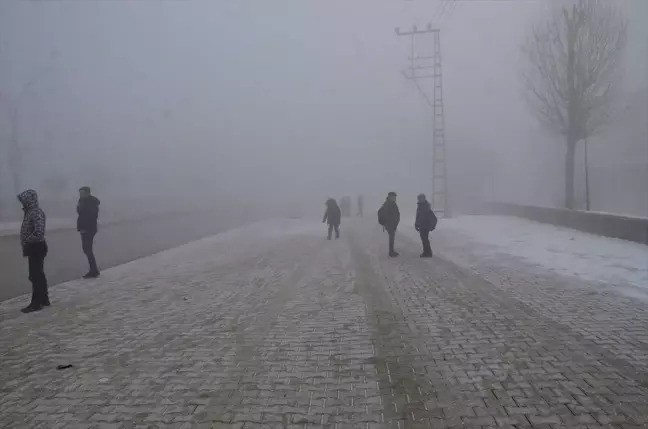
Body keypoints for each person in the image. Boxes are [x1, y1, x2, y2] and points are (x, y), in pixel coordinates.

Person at [17, 189, 50, 313]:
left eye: (24, 201)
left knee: (35, 275)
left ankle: (36, 303)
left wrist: (26, 240)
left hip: (36, 247)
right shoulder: (30, 212)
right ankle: (44, 299)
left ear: (29, 201)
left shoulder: (36, 212)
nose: (22, 203)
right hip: (33, 247)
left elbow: (39, 232)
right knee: (38, 275)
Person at [77, 186, 100, 278]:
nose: (80, 194)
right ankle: (94, 270)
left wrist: (85, 228)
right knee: (87, 250)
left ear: (87, 193)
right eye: (80, 193)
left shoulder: (91, 202)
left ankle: (93, 270)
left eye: (82, 192)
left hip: (89, 229)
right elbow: (80, 213)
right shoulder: (82, 201)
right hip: (84, 228)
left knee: (87, 250)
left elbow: (90, 216)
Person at [378, 192, 400, 257]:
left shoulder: (391, 203)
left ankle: (391, 251)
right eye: (394, 197)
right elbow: (384, 213)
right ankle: (391, 252)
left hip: (392, 223)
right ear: (390, 197)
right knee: (391, 238)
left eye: (395, 197)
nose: (395, 198)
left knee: (392, 238)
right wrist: (387, 222)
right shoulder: (388, 204)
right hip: (390, 224)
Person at [415, 193, 437, 258]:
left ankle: (428, 252)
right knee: (424, 240)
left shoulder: (425, 207)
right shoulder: (420, 206)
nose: (419, 200)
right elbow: (418, 216)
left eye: (420, 198)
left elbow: (433, 218)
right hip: (422, 225)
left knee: (425, 240)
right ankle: (426, 252)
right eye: (419, 199)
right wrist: (416, 224)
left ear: (423, 199)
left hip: (425, 226)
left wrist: (432, 226)